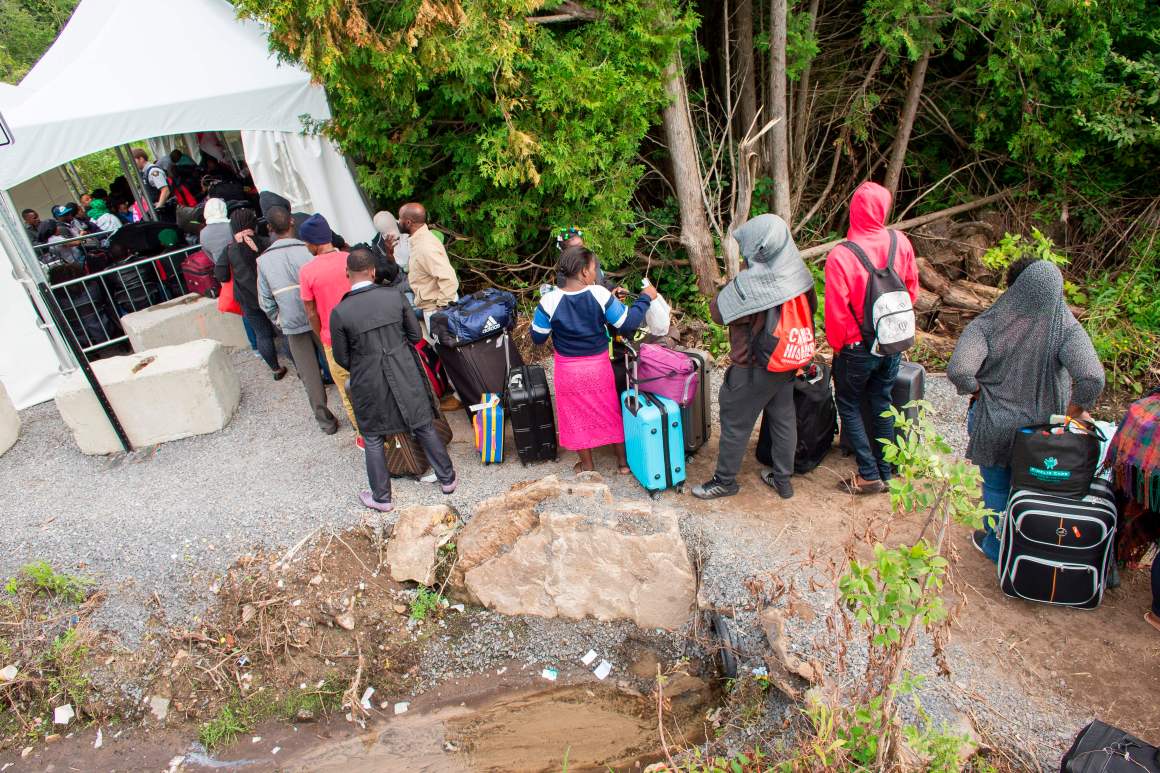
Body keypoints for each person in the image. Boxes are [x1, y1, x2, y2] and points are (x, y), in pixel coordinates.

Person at [948, 257, 1105, 561]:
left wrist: (980, 393)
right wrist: (1074, 409)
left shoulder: (987, 324)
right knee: (1036, 490)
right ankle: (1031, 545)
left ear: (1014, 288)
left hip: (993, 424)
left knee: (995, 488)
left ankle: (996, 547)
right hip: (1042, 433)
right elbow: (1092, 376)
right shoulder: (1065, 328)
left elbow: (959, 370)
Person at [693, 214, 817, 501]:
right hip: (786, 361)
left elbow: (718, 312)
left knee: (736, 424)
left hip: (751, 368)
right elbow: (812, 308)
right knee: (784, 420)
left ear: (757, 248)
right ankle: (783, 480)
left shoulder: (751, 284)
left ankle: (725, 481)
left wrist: (734, 283)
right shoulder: (799, 274)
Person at [330, 249, 458, 512]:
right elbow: (414, 335)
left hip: (368, 379)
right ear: (373, 271)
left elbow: (342, 358)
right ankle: (447, 479)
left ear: (347, 274)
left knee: (374, 436)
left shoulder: (340, 312)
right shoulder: (394, 296)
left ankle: (382, 498)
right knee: (423, 424)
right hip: (403, 369)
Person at [823, 181, 919, 495]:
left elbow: (837, 312)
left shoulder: (841, 255)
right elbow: (911, 291)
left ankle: (867, 474)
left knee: (848, 403)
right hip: (891, 341)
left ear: (853, 211)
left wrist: (840, 348)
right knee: (882, 399)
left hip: (855, 346)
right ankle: (887, 469)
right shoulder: (900, 242)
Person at [531, 245, 655, 473]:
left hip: (568, 370)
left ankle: (587, 466)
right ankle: (622, 463)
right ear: (584, 273)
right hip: (598, 366)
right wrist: (644, 299)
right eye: (594, 268)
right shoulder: (599, 294)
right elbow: (627, 324)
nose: (596, 273)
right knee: (609, 409)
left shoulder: (549, 300)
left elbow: (537, 337)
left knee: (575, 415)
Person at [258, 206, 339, 434]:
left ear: (270, 229)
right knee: (336, 362)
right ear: (292, 222)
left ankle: (326, 422)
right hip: (322, 317)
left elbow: (265, 301)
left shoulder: (263, 262)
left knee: (309, 375)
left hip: (292, 323)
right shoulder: (308, 250)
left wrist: (281, 320)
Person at [298, 214, 361, 444]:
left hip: (333, 339)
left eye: (306, 242)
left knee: (348, 391)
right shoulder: (351, 259)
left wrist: (322, 334)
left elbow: (311, 312)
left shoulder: (307, 271)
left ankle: (365, 436)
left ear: (313, 243)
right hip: (362, 333)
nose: (306, 246)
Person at [1104, 387, 1160, 632]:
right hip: (1148, 478)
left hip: (1145, 478)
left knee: (1128, 505)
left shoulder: (1144, 410)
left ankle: (1111, 556)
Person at [215, 208, 287, 380]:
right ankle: (300, 366)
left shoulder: (230, 250)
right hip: (273, 295)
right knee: (284, 331)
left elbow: (221, 275)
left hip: (248, 299)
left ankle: (276, 370)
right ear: (253, 224)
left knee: (262, 334)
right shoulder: (265, 242)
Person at [397, 203, 458, 336]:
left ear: (408, 222)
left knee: (451, 353)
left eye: (399, 218)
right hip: (432, 307)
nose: (398, 222)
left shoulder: (424, 246)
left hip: (438, 309)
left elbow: (449, 279)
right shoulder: (419, 241)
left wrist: (441, 309)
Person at [131, 147, 174, 221]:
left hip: (165, 212)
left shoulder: (153, 171)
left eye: (134, 161)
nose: (133, 164)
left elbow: (165, 190)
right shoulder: (144, 173)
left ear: (141, 159)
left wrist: (158, 208)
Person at [199, 198, 233, 269]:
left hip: (223, 270)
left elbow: (209, 254)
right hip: (241, 266)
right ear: (223, 209)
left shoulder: (203, 233)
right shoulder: (232, 225)